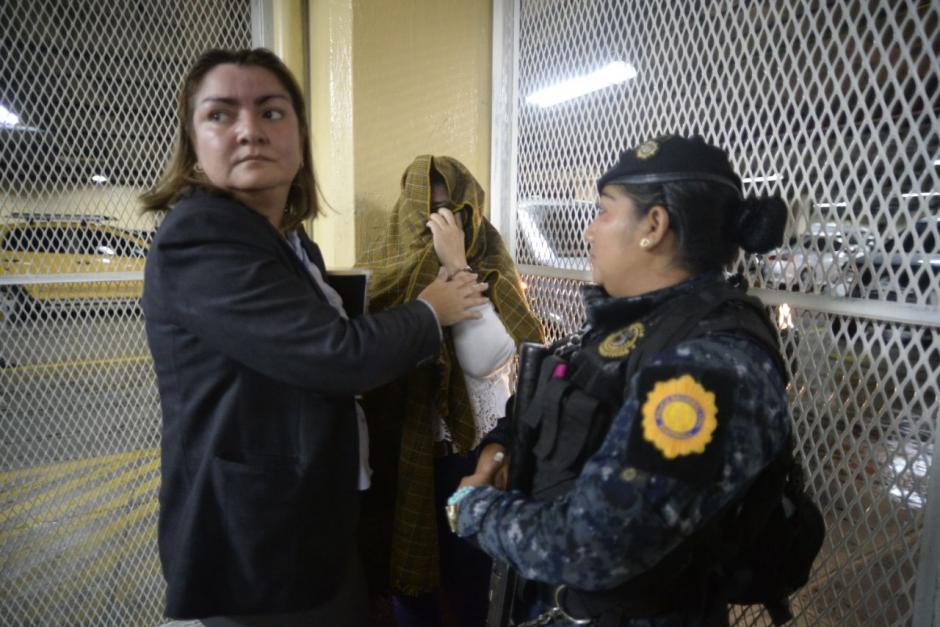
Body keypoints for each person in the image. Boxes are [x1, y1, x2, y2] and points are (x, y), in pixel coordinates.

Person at [139, 48, 488, 626]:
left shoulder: (291, 241)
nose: (250, 130)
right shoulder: (201, 238)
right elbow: (335, 355)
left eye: (271, 112)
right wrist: (431, 309)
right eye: (221, 115)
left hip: (312, 517)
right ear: (193, 150)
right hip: (259, 542)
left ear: (300, 143)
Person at [448, 135, 792, 626]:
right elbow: (561, 401)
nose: (590, 231)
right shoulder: (635, 325)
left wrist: (474, 508)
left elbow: (593, 547)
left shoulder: (708, 365)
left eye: (604, 211)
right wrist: (500, 449)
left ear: (654, 226)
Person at [357, 155, 543, 626]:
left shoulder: (490, 268)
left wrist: (457, 264)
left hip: (473, 460)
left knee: (475, 591)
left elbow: (486, 359)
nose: (440, 222)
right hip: (407, 459)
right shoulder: (386, 267)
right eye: (429, 209)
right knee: (412, 591)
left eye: (451, 210)